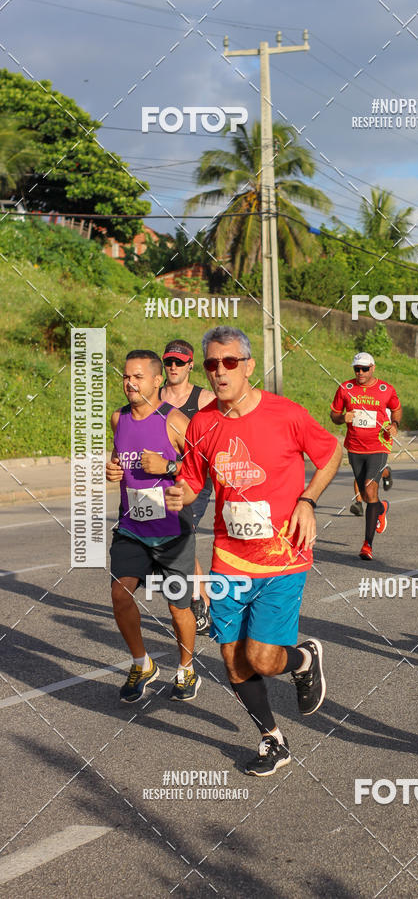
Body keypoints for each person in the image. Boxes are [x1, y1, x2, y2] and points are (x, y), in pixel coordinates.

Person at [165, 325, 342, 776]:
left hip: (283, 557)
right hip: (230, 557)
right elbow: (192, 482)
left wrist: (308, 501)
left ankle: (303, 658)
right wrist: (175, 494)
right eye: (211, 364)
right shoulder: (203, 424)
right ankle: (272, 739)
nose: (219, 372)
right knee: (231, 657)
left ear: (248, 366)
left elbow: (331, 452)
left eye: (228, 362)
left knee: (262, 657)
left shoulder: (286, 414)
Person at [106, 350, 199, 703]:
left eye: (138, 377)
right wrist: (112, 469)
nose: (130, 383)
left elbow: (198, 472)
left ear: (158, 380)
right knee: (119, 594)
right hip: (131, 527)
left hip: (172, 531)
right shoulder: (118, 418)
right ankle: (142, 663)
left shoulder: (174, 421)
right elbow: (119, 458)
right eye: (126, 376)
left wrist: (169, 467)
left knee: (178, 608)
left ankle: (186, 669)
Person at [155, 339, 214, 636]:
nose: (174, 367)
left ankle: (198, 603)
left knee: (182, 534)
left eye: (180, 362)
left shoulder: (203, 400)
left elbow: (221, 436)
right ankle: (202, 599)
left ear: (191, 364)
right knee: (174, 539)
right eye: (169, 362)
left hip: (195, 480)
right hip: (159, 480)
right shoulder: (153, 396)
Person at [330, 351, 401, 560]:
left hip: (379, 445)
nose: (360, 372)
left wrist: (394, 425)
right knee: (368, 494)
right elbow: (334, 415)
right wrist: (343, 417)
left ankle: (367, 545)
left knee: (369, 490)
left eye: (364, 369)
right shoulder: (346, 388)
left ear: (373, 368)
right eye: (357, 369)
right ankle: (381, 507)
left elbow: (396, 409)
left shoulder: (385, 389)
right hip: (355, 447)